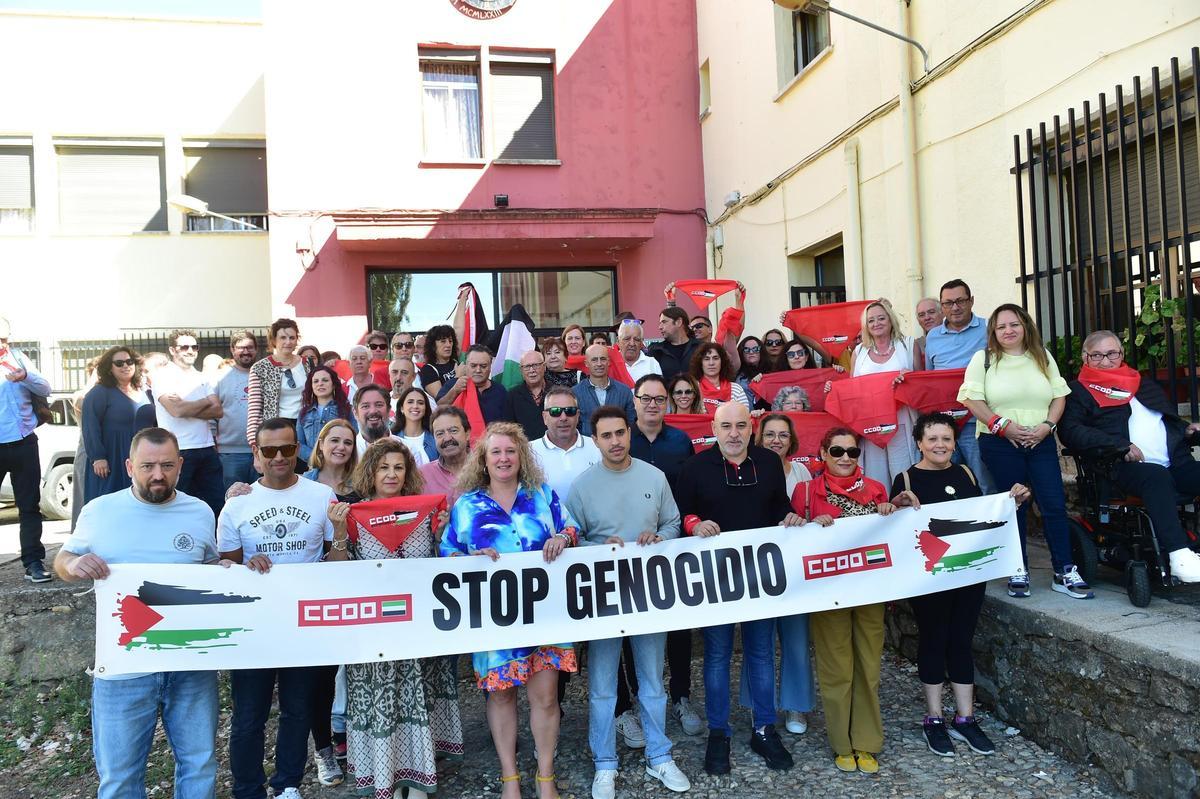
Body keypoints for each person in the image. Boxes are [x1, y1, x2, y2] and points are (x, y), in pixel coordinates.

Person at [54, 427, 226, 799]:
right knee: (120, 779)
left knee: (200, 766)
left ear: (181, 465)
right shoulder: (100, 511)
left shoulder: (199, 512)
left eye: (167, 465)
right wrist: (74, 564)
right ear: (130, 466)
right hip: (123, 669)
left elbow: (212, 569)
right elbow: (63, 561)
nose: (158, 475)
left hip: (190, 665)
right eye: (148, 466)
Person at [440, 422, 580, 799]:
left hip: (544, 615)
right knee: (501, 695)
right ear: (483, 460)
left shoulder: (542, 494)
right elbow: (445, 552)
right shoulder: (467, 504)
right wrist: (466, 557)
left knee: (546, 697)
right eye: (495, 452)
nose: (503, 458)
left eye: (510, 451)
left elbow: (572, 528)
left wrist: (560, 538)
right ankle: (510, 778)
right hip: (494, 619)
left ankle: (545, 776)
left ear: (521, 456)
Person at [326, 439, 463, 799]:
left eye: (398, 467)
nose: (391, 474)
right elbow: (336, 575)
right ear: (370, 471)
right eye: (384, 467)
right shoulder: (352, 514)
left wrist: (439, 532)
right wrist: (339, 532)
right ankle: (386, 777)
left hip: (417, 629)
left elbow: (439, 567)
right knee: (383, 702)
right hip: (374, 631)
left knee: (418, 697)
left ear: (408, 473)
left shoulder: (423, 512)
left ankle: (416, 779)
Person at [565, 407, 691, 797]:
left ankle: (659, 755)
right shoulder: (582, 486)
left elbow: (672, 521)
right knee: (603, 685)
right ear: (596, 439)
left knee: (653, 681)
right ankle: (604, 763)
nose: (616, 441)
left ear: (629, 433)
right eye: (607, 435)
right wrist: (594, 546)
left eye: (621, 433)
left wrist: (660, 536)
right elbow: (573, 537)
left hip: (648, 593)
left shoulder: (655, 476)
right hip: (603, 597)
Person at [891, 413, 1031, 758]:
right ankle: (934, 717)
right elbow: (896, 526)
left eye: (947, 439)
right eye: (933, 439)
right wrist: (897, 506)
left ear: (955, 443)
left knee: (962, 639)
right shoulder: (906, 478)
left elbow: (983, 516)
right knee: (934, 638)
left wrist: (1011, 500)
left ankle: (966, 718)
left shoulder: (965, 472)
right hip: (930, 576)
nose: (940, 445)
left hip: (968, 574)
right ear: (919, 443)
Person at [675, 403, 805, 774]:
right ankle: (719, 732)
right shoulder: (695, 467)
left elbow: (778, 508)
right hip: (715, 581)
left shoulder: (767, 463)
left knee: (761, 653)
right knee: (716, 656)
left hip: (760, 579)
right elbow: (681, 513)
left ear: (752, 429)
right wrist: (694, 523)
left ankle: (764, 728)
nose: (734, 433)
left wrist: (790, 518)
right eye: (726, 426)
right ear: (714, 428)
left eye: (741, 426)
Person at [218, 418, 337, 799]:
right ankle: (247, 789)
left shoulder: (321, 496)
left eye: (287, 448)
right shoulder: (237, 506)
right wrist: (243, 568)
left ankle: (287, 784)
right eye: (269, 451)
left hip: (304, 621)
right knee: (249, 715)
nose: (280, 457)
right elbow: (226, 570)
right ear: (257, 455)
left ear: (298, 450)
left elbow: (338, 561)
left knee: (298, 709)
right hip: (254, 624)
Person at [791, 426, 909, 774]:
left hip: (871, 591)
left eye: (853, 452)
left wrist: (892, 510)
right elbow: (793, 534)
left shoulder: (875, 490)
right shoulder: (806, 492)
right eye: (838, 451)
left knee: (869, 667)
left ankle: (867, 742)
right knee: (836, 669)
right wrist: (810, 523)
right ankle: (842, 742)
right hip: (829, 594)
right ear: (823, 454)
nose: (845, 458)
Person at [958, 303, 1091, 599]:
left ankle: (1064, 569)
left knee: (1054, 504)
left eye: (1014, 324)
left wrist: (1047, 426)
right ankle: (1018, 568)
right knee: (1014, 505)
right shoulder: (984, 360)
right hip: (1000, 443)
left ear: (1025, 327)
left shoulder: (1042, 358)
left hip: (1040, 440)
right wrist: (1001, 424)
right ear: (993, 330)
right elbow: (971, 399)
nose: (1008, 330)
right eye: (1001, 326)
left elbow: (1059, 396)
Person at [1059, 330, 1200, 582]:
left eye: (1112, 353)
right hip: (1120, 468)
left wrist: (1187, 430)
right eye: (1097, 355)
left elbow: (1166, 421)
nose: (1105, 361)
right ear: (1084, 357)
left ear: (1121, 354)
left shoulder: (1141, 383)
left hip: (1174, 463)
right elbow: (1071, 431)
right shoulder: (1078, 391)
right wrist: (1118, 444)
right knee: (1155, 477)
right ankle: (1180, 556)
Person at [629, 374, 701, 735]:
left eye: (660, 398)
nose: (653, 404)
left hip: (674, 543)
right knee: (634, 625)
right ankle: (639, 699)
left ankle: (681, 696)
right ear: (635, 399)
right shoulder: (623, 438)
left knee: (678, 626)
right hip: (633, 544)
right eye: (647, 398)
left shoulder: (680, 441)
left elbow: (689, 492)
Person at [741, 413, 815, 736]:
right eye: (770, 434)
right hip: (759, 566)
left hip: (795, 569)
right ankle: (758, 702)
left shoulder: (802, 472)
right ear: (760, 437)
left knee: (796, 638)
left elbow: (811, 514)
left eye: (783, 435)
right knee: (759, 640)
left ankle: (796, 705)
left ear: (791, 440)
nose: (776, 440)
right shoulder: (750, 467)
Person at [924, 279, 993, 492]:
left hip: (977, 420)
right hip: (943, 425)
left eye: (961, 300)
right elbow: (928, 377)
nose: (955, 307)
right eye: (948, 303)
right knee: (947, 483)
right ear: (942, 307)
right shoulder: (933, 336)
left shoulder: (989, 328)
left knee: (984, 481)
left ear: (971, 301)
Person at [847, 300, 919, 488]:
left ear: (890, 319)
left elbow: (922, 386)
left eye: (881, 318)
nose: (876, 323)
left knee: (903, 477)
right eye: (871, 320)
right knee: (875, 479)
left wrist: (910, 378)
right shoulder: (859, 351)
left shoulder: (909, 345)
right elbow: (851, 389)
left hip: (902, 422)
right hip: (870, 426)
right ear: (866, 326)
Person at [153, 329, 224, 515]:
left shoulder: (201, 377)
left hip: (207, 448)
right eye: (184, 346)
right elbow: (176, 410)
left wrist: (187, 406)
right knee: (178, 506)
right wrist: (204, 402)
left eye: (194, 346)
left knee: (215, 505)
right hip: (179, 449)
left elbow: (218, 410)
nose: (190, 350)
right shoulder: (163, 376)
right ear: (172, 350)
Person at [82, 346, 155, 503]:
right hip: (113, 458)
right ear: (109, 368)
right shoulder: (100, 393)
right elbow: (90, 426)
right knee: (110, 501)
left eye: (129, 361)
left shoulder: (146, 392)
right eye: (119, 363)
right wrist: (98, 457)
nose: (126, 366)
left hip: (142, 456)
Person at [530, 386, 601, 532]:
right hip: (549, 540)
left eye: (570, 411)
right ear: (545, 417)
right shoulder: (527, 452)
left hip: (594, 537)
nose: (563, 417)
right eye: (555, 412)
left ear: (578, 415)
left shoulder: (598, 447)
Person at [246, 319, 306, 439]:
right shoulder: (260, 368)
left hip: (306, 425)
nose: (288, 342)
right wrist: (254, 440)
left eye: (292, 338)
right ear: (274, 340)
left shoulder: (307, 363)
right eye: (283, 338)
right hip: (275, 428)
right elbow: (255, 409)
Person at [215, 331, 259, 491]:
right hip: (230, 453)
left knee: (261, 498)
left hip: (262, 450)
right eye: (241, 348)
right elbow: (213, 413)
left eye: (250, 347)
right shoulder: (220, 377)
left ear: (256, 350)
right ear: (232, 349)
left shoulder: (263, 374)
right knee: (233, 499)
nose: (246, 351)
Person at [296, 364, 356, 465]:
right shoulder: (304, 413)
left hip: (342, 466)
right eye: (316, 381)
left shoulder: (347, 409)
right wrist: (316, 459)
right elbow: (299, 443)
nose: (320, 384)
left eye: (325, 380)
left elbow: (355, 437)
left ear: (333, 384)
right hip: (313, 468)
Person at [573, 344, 636, 435]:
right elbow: (574, 426)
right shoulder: (575, 393)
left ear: (609, 362)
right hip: (587, 446)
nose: (599, 364)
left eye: (603, 359)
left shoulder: (624, 392)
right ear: (586, 363)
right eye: (594, 360)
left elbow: (631, 423)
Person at [437, 344, 509, 424]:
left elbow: (507, 422)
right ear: (466, 365)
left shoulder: (500, 390)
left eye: (483, 366)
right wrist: (455, 390)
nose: (478, 370)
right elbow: (439, 408)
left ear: (490, 367)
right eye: (473, 366)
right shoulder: (454, 384)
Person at [419, 406, 472, 506]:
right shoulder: (422, 476)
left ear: (467, 434)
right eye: (440, 433)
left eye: (453, 430)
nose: (447, 438)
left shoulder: (486, 468)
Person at [305, 418, 360, 501]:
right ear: (321, 444)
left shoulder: (361, 484)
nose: (341, 447)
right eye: (335, 440)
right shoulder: (306, 482)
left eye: (347, 443)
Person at [689, 342, 750, 413]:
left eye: (715, 358)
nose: (711, 363)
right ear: (700, 363)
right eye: (706, 359)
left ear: (722, 362)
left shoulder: (736, 389)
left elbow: (744, 415)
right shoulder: (693, 388)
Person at [504, 349, 549, 440]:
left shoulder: (557, 392)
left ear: (544, 366)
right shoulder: (512, 396)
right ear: (521, 370)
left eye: (535, 365)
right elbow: (508, 429)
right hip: (524, 450)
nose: (532, 370)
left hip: (554, 448)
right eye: (527, 366)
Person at [648, 308, 702, 378]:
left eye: (664, 322)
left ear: (678, 322)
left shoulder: (701, 348)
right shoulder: (656, 351)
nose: (660, 327)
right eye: (660, 323)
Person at [391, 386, 437, 465]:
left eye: (420, 403)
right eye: (410, 402)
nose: (415, 406)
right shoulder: (392, 439)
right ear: (402, 408)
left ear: (426, 408)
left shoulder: (435, 438)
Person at [353, 384, 401, 457]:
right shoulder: (349, 451)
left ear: (389, 409)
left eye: (379, 405)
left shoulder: (409, 449)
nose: (373, 411)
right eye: (365, 406)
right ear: (355, 413)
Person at [419, 324, 460, 398]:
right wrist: (457, 377)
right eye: (443, 341)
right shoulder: (428, 370)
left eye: (450, 341)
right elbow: (441, 399)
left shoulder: (455, 362)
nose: (448, 345)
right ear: (433, 346)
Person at [912, 297, 944, 372]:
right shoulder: (915, 345)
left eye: (931, 312)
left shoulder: (954, 336)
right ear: (918, 320)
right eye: (921, 315)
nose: (927, 317)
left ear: (943, 313)